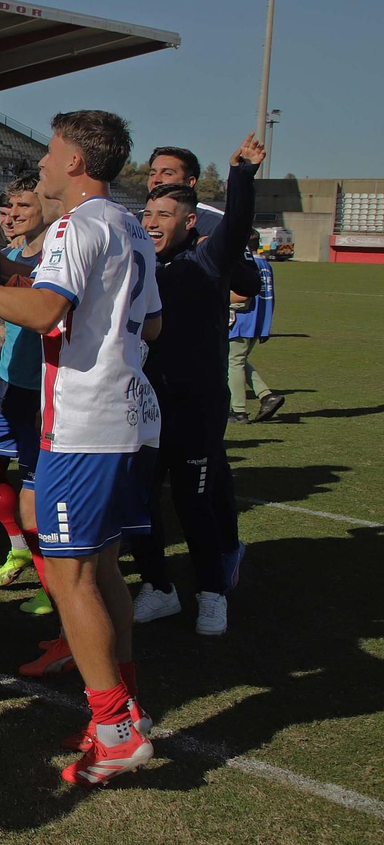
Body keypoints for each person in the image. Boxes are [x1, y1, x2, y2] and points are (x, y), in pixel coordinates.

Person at [0, 109, 159, 786]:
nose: (44, 165)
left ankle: (114, 732)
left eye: (51, 154)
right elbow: (153, 323)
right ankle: (126, 707)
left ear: (77, 162)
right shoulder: (130, 225)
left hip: (81, 426)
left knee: (73, 575)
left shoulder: (79, 226)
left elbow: (43, 311)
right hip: (125, 420)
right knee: (103, 570)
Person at [129, 136, 263, 636]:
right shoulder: (139, 263)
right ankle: (159, 587)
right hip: (145, 406)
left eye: (164, 214)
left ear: (189, 222)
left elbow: (236, 227)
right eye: (148, 214)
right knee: (140, 503)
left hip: (196, 406)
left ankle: (211, 592)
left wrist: (241, 177)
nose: (152, 222)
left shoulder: (209, 260)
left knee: (194, 502)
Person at [0, 175, 65, 638]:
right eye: (8, 208)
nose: (13, 215)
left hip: (43, 395)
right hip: (5, 387)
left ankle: (53, 587)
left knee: (36, 506)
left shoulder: (59, 259)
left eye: (24, 206)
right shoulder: (17, 257)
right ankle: (18, 546)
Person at [229, 232, 282, 422]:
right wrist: (266, 325)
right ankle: (267, 396)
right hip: (257, 321)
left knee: (233, 362)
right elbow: (270, 297)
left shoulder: (247, 264)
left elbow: (242, 297)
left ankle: (238, 410)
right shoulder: (266, 265)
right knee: (238, 361)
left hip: (241, 320)